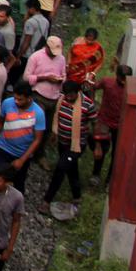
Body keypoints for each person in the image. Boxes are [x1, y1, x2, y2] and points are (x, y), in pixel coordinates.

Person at [40, 79, 98, 216]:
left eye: (72, 95)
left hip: (76, 145)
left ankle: (47, 201)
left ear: (78, 92)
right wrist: (54, 134)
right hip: (63, 142)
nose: (69, 98)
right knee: (71, 169)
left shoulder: (87, 105)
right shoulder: (62, 100)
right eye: (67, 95)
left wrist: (96, 146)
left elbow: (95, 125)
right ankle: (77, 197)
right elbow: (57, 117)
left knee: (60, 168)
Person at [0, 81, 45, 193]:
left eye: (20, 99)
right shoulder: (7, 103)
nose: (16, 101)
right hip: (2, 148)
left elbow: (37, 139)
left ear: (29, 98)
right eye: (15, 98)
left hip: (20, 154)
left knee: (18, 185)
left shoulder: (38, 113)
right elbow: (0, 123)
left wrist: (22, 160)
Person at [26, 36, 65, 160]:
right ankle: (27, 151)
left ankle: (39, 154)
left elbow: (64, 75)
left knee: (47, 128)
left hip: (54, 97)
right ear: (47, 47)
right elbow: (26, 77)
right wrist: (44, 78)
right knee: (36, 125)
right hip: (39, 95)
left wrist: (61, 80)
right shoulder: (36, 57)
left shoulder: (61, 59)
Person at [90, 64, 130, 185]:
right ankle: (96, 174)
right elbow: (93, 87)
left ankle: (110, 179)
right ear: (117, 75)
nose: (123, 82)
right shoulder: (107, 82)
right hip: (105, 121)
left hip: (121, 125)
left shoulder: (131, 89)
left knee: (116, 152)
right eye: (122, 78)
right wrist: (92, 103)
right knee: (101, 149)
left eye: (126, 79)